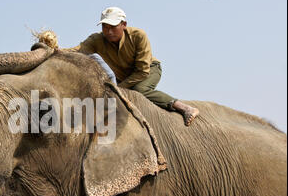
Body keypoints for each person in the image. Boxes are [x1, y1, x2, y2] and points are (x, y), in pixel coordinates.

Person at [68, 7, 199, 126]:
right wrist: (52, 48)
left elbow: (142, 71)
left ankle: (183, 107)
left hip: (148, 70)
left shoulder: (138, 36)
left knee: (139, 89)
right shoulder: (97, 40)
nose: (108, 31)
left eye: (113, 27)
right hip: (123, 76)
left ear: (124, 25)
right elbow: (78, 50)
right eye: (105, 27)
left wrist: (118, 88)